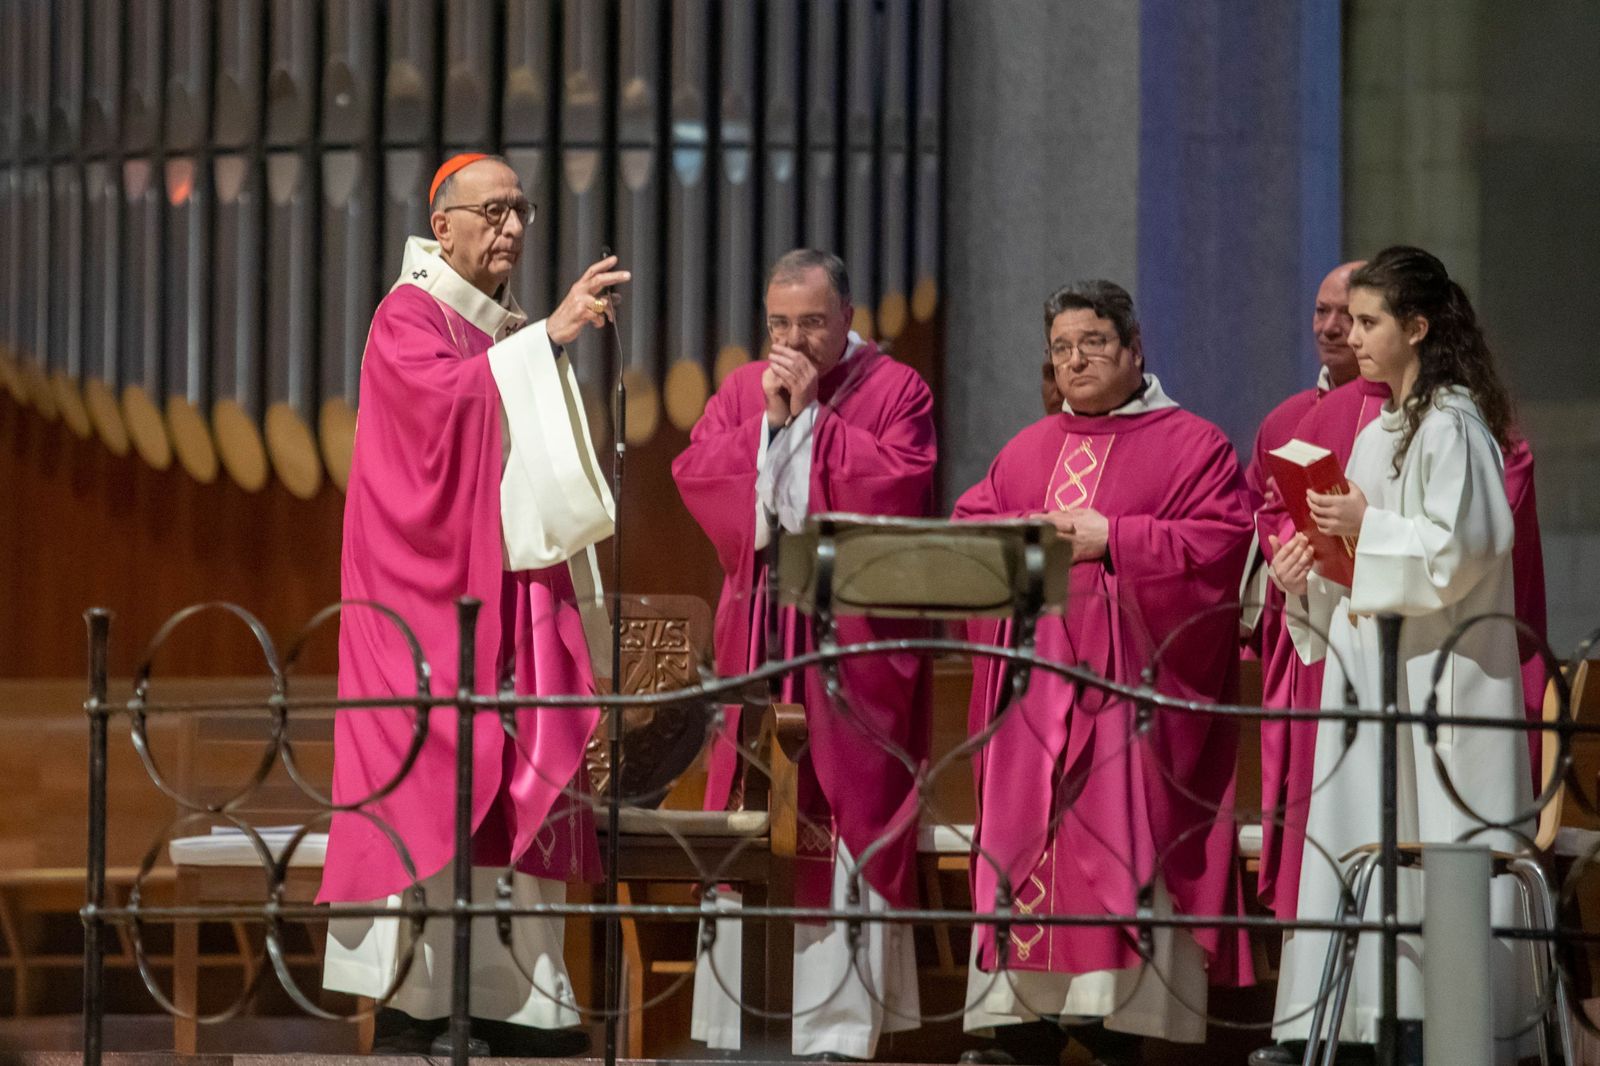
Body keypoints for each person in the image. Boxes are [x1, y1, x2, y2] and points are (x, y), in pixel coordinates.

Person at [318, 152, 629, 1057]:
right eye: (492, 213)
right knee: (431, 783)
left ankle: (516, 1000)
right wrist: (549, 343)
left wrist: (536, 349)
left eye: (521, 210)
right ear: (440, 224)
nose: (513, 229)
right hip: (418, 611)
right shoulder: (406, 317)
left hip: (484, 603)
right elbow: (439, 417)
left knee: (508, 780)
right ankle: (422, 1003)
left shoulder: (489, 329)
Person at [954, 281, 1254, 1066]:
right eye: (1061, 347)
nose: (1076, 360)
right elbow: (969, 529)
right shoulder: (1025, 449)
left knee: (1118, 839)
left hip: (1131, 703)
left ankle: (1112, 1018)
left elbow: (1220, 548)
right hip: (1031, 702)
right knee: (1025, 840)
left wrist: (1114, 538)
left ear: (1134, 348)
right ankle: (1018, 1021)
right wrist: (1017, 537)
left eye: (1093, 342)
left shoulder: (1195, 445)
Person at [1257, 246, 1533, 1066]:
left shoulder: (1455, 425)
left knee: (1437, 852)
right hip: (1373, 678)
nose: (1352, 333)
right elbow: (1355, 564)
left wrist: (1360, 528)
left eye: (1371, 321)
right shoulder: (1377, 429)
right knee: (1360, 848)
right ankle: (1365, 1022)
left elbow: (1464, 552)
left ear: (1416, 328)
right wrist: (1302, 574)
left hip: (1441, 689)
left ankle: (1445, 1034)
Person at [672, 249, 937, 1060]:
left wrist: (812, 422)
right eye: (780, 323)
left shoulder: (898, 391)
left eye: (812, 324)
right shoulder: (738, 389)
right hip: (759, 633)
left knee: (845, 816)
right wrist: (772, 427)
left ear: (848, 319)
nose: (794, 341)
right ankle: (741, 1023)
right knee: (753, 816)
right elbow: (699, 473)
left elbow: (900, 487)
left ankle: (832, 1032)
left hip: (850, 644)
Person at [1244, 260, 1368, 923]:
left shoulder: (1432, 418)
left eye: (1350, 314)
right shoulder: (1286, 421)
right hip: (1309, 638)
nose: (1331, 326)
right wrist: (1282, 567)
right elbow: (1256, 525)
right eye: (1321, 311)